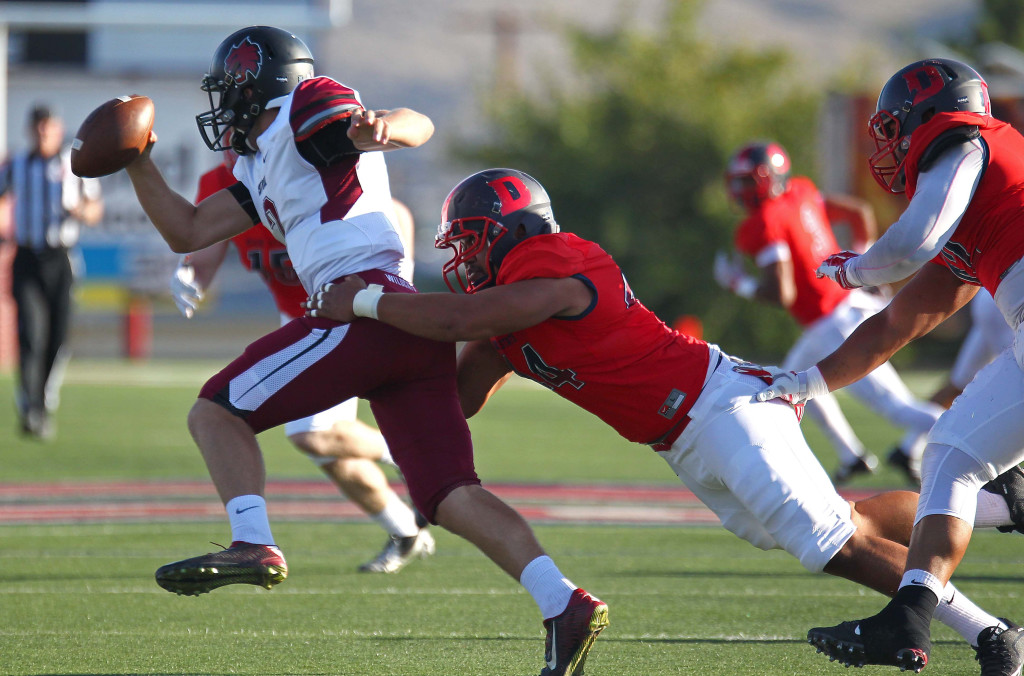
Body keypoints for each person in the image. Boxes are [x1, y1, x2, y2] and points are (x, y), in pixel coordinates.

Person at [304, 167, 1024, 675]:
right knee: (835, 521)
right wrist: (383, 370)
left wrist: (368, 304)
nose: (460, 256)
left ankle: (991, 633)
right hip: (681, 437)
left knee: (825, 541)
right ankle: (1000, 506)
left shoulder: (554, 259)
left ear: (505, 229)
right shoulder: (503, 317)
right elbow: (457, 397)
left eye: (467, 238)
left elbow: (464, 314)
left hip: (719, 405)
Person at [122, 26, 607, 676]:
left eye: (227, 88)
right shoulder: (260, 158)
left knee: (215, 411)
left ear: (252, 80)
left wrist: (386, 128)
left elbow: (415, 124)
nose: (222, 103)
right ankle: (564, 602)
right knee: (448, 494)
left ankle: (254, 541)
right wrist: (136, 160)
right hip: (404, 324)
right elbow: (189, 228)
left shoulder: (306, 109)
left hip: (362, 308)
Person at [756, 58, 1024, 673]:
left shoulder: (969, 141)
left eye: (896, 128)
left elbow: (910, 243)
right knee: (951, 457)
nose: (893, 146)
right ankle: (914, 615)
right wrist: (805, 384)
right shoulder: (981, 209)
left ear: (929, 115)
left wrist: (852, 268)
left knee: (954, 457)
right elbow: (897, 324)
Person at [170, 151, 433, 574]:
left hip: (347, 309)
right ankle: (405, 530)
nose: (228, 139)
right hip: (299, 316)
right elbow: (203, 246)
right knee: (326, 451)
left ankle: (413, 454)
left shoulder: (298, 161)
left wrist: (401, 276)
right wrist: (191, 277)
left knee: (308, 433)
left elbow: (389, 208)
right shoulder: (222, 180)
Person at [717, 141, 944, 485]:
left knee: (896, 408)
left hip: (833, 322)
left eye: (747, 182)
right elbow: (858, 213)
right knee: (792, 381)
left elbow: (784, 292)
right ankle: (850, 456)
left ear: (767, 179)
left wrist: (738, 283)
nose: (740, 190)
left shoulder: (763, 222)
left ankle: (976, 441)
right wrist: (864, 266)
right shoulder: (801, 191)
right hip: (849, 305)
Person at [0, 104, 103, 439]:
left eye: (50, 128)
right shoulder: (16, 164)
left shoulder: (73, 166)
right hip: (27, 257)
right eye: (39, 128)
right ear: (32, 130)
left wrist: (79, 211)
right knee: (31, 332)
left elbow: (94, 209)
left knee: (57, 337)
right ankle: (30, 405)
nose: (44, 134)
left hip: (61, 258)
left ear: (58, 130)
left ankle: (42, 400)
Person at [926, 289, 1011, 409]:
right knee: (1015, 387)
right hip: (1009, 300)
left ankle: (923, 426)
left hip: (989, 297)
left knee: (959, 385)